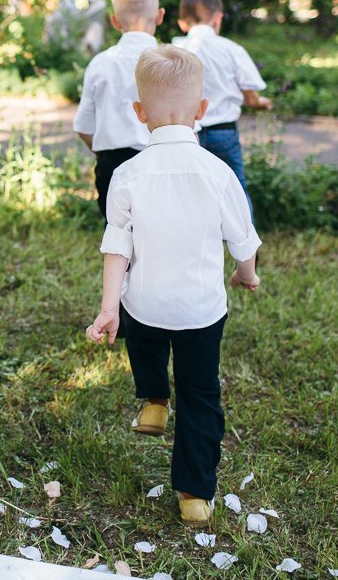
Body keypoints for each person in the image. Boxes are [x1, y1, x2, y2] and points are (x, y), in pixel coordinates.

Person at [85, 44, 261, 525]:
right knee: (201, 393)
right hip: (202, 310)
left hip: (143, 304)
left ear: (140, 114)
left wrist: (108, 308)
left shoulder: (126, 175)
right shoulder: (219, 173)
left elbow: (116, 248)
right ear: (202, 111)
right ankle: (194, 494)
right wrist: (246, 274)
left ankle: (154, 399)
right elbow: (243, 242)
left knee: (143, 341)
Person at [72, 0, 163, 220]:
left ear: (114, 21)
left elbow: (83, 126)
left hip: (112, 167)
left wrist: (105, 153)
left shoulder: (100, 63)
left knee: (117, 241)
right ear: (160, 15)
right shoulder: (170, 63)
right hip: (160, 165)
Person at [172, 0, 270, 211]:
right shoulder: (231, 49)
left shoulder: (175, 50)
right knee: (234, 190)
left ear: (182, 24)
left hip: (186, 134)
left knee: (190, 194)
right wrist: (261, 103)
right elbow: (251, 98)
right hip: (223, 133)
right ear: (218, 18)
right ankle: (247, 245)